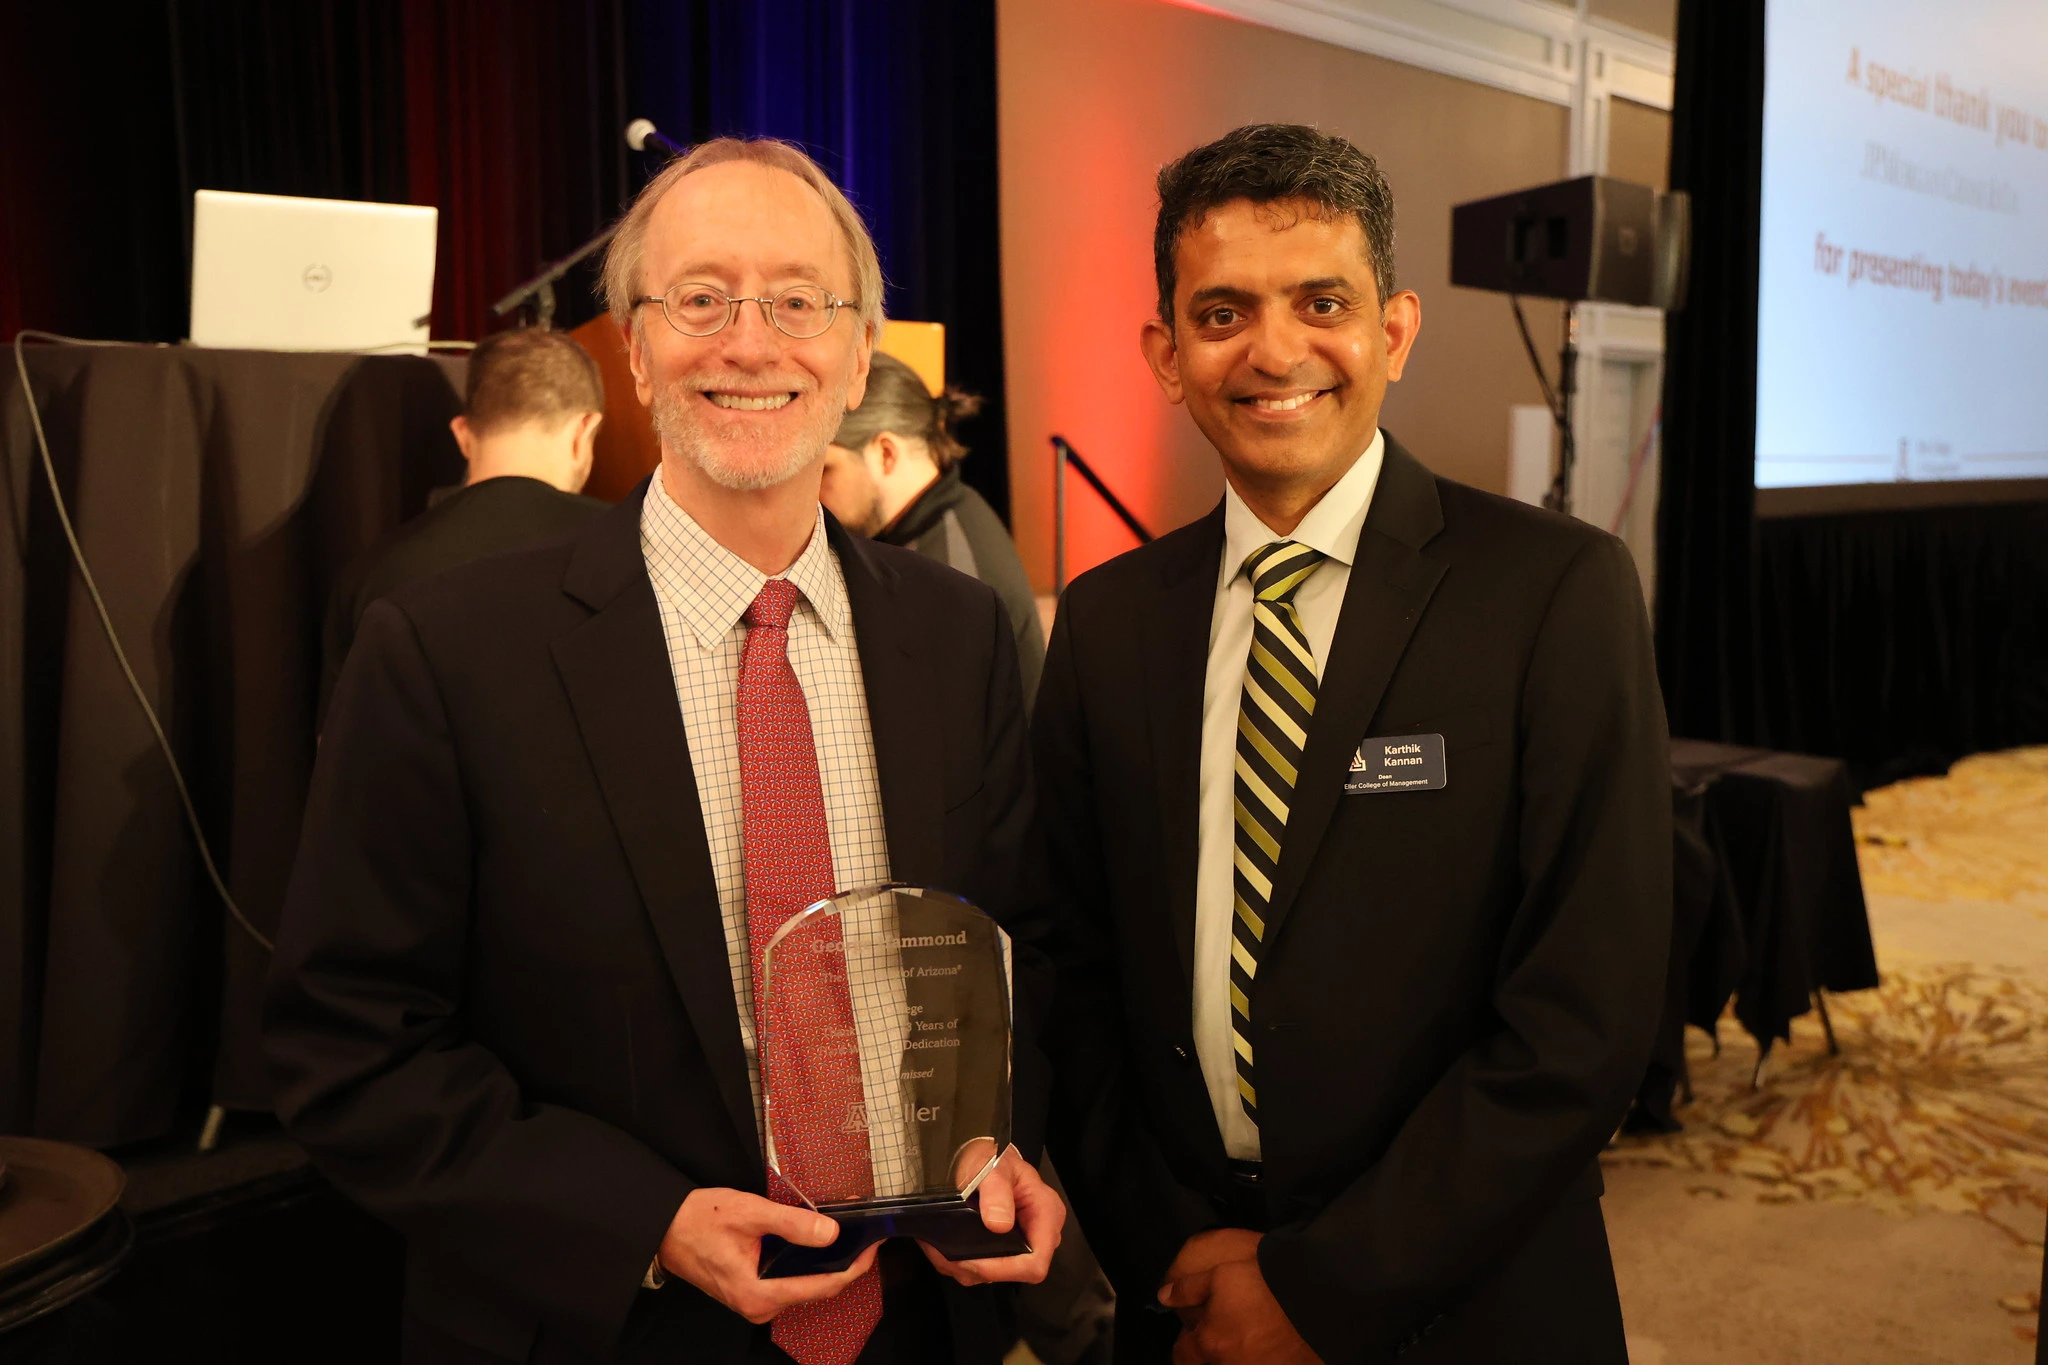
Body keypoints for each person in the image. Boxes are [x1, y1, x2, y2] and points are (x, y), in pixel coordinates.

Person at [267, 136, 1065, 1365]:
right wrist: (641, 1222)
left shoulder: (956, 638)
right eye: (699, 298)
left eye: (798, 300)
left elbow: (1017, 957)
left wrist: (1005, 1151)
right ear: (632, 351)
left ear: (860, 353)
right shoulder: (446, 650)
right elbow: (348, 1044)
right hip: (603, 1327)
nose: (749, 341)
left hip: (915, 1322)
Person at [1032, 123, 1670, 1365]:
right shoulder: (1107, 622)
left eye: (1321, 302)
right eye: (1222, 313)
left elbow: (1581, 1018)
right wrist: (1168, 1245)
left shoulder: (1554, 592)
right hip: (1189, 1298)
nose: (1274, 352)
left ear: (1394, 331)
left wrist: (1319, 1290)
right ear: (1165, 355)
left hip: (1469, 1299)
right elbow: (1066, 967)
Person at [318, 326, 608, 719]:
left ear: (463, 435)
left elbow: (340, 746)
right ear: (585, 431)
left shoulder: (370, 574)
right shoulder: (632, 549)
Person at [819, 354, 1046, 698]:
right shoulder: (947, 515)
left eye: (825, 470)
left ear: (886, 454)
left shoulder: (947, 572)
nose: (811, 492)